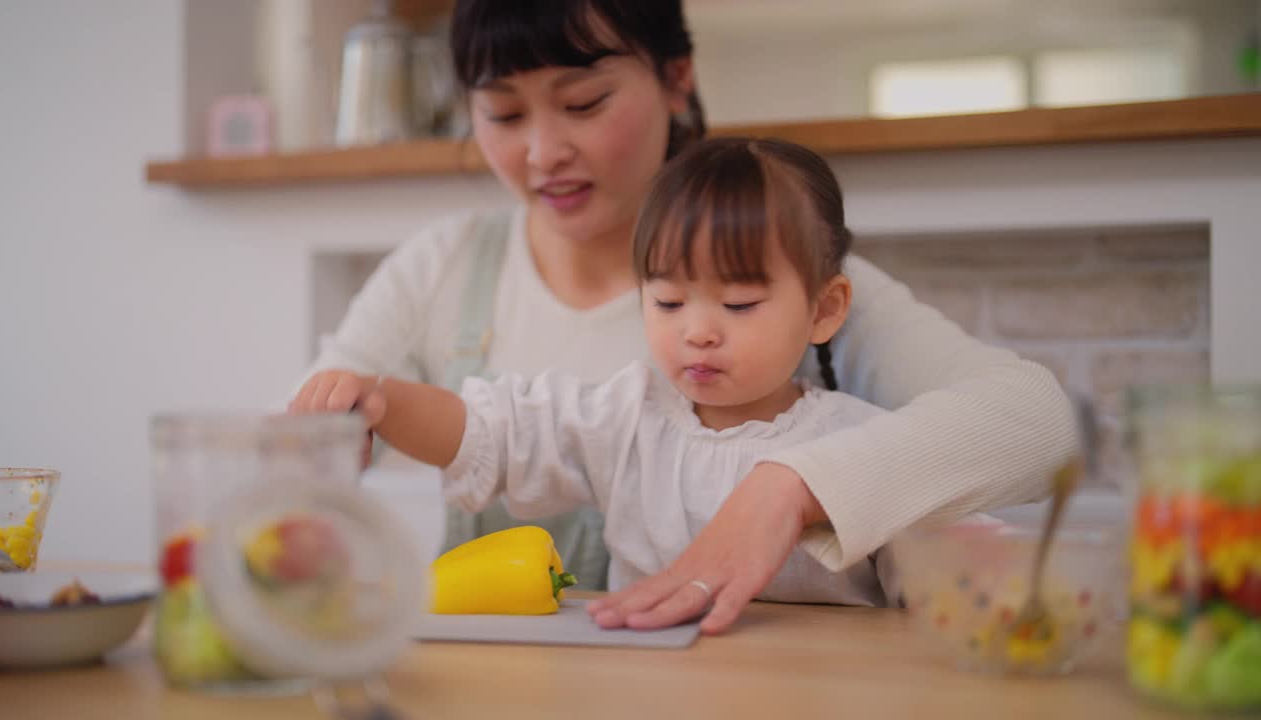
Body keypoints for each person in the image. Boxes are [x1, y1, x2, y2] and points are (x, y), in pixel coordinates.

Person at [289, 0, 1075, 634]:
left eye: (584, 102)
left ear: (676, 78)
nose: (542, 152)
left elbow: (1037, 421)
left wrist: (792, 489)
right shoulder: (443, 267)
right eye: (501, 113)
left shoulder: (797, 271)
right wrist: (344, 421)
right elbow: (323, 440)